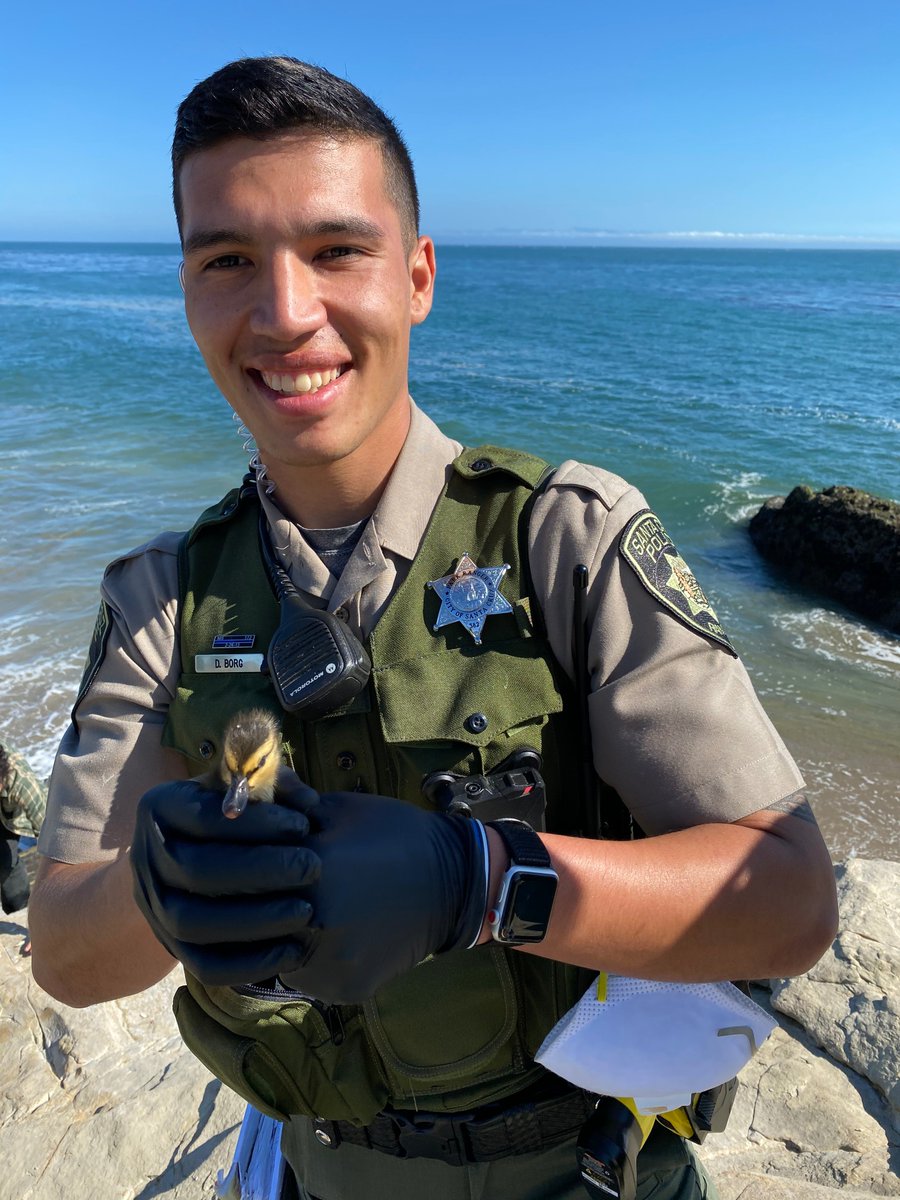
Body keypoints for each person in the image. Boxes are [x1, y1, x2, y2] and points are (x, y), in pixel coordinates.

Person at [29, 56, 838, 1200]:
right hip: (316, 1171)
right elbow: (65, 952)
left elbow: (789, 900)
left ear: (417, 276)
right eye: (227, 261)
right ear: (187, 293)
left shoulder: (566, 539)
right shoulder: (162, 598)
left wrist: (481, 879)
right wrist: (160, 883)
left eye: (336, 250)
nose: (284, 312)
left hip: (582, 1172)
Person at [1, 740, 47, 955]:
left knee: (6, 861)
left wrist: (38, 921)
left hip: (8, 816)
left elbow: (53, 850)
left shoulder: (23, 784)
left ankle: (20, 909)